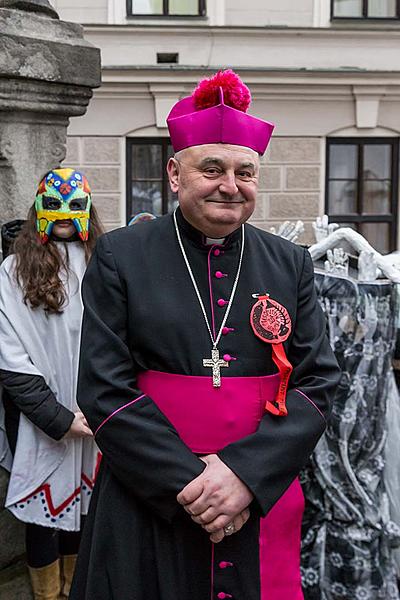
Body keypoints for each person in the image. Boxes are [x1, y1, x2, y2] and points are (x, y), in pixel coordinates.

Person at [71, 70, 341, 600]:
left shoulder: (290, 264)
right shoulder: (121, 256)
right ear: (175, 174)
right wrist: (192, 487)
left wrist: (243, 477)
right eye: (211, 168)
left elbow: (318, 383)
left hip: (256, 491)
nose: (230, 185)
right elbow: (103, 389)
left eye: (246, 172)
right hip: (148, 494)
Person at [0, 168, 103, 600]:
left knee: (84, 508)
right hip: (38, 416)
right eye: (54, 204)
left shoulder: (105, 261)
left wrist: (100, 410)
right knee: (44, 516)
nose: (64, 214)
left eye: (74, 205)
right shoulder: (13, 270)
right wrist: (57, 419)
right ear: (38, 208)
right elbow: (10, 354)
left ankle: (75, 591)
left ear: (87, 209)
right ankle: (45, 596)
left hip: (96, 411)